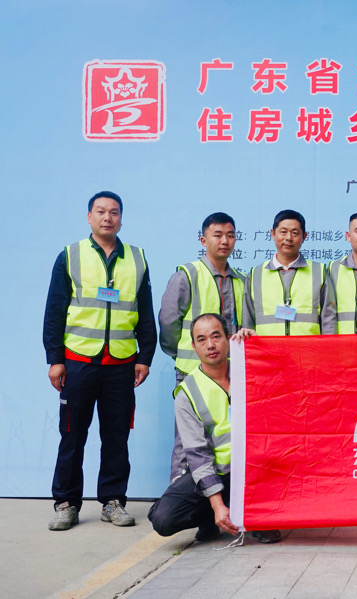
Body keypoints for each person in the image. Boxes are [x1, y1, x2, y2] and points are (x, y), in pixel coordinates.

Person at [43, 191, 157, 531]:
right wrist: (55, 359)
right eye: (101, 211)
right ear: (89, 217)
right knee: (72, 435)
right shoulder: (71, 255)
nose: (108, 218)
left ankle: (113, 501)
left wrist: (145, 356)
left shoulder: (136, 258)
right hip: (78, 361)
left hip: (121, 364)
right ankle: (66, 503)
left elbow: (145, 312)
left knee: (116, 437)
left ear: (122, 218)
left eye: (114, 212)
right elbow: (54, 311)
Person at [148, 314, 280, 544]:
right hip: (218, 473)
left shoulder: (250, 370)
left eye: (216, 336)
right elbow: (198, 455)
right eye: (202, 339)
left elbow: (283, 377)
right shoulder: (187, 393)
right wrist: (216, 504)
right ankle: (214, 515)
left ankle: (256, 518)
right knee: (163, 519)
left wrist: (258, 347)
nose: (210, 345)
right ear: (194, 346)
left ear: (228, 338)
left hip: (257, 470)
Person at [158, 212, 246, 482]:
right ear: (203, 239)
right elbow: (168, 321)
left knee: (227, 434)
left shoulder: (241, 280)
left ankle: (220, 494)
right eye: (217, 235)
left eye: (230, 235)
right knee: (187, 441)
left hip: (227, 374)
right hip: (191, 371)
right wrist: (183, 352)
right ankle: (179, 494)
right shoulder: (187, 275)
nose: (224, 241)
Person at [242, 209, 335, 335]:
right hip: (267, 347)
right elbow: (247, 322)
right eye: (283, 232)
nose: (289, 238)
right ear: (273, 234)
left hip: (307, 347)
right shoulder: (256, 274)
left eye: (295, 233)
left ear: (304, 237)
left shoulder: (319, 272)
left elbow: (328, 320)